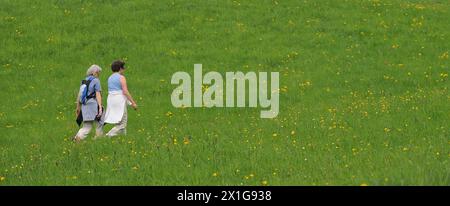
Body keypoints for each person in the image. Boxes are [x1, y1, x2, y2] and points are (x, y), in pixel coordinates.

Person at [104, 60, 137, 137]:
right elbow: (125, 91)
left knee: (119, 122)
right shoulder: (121, 77)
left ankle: (124, 139)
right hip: (119, 100)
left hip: (111, 100)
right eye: (123, 67)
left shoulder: (110, 78)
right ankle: (108, 135)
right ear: (120, 68)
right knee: (123, 123)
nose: (124, 69)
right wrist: (133, 103)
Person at [74, 65, 104, 141]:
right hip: (93, 105)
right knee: (100, 121)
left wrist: (78, 107)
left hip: (84, 105)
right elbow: (98, 94)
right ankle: (98, 138)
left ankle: (77, 138)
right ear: (94, 72)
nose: (99, 74)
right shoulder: (96, 80)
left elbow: (79, 95)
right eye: (98, 72)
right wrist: (100, 106)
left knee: (87, 126)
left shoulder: (84, 81)